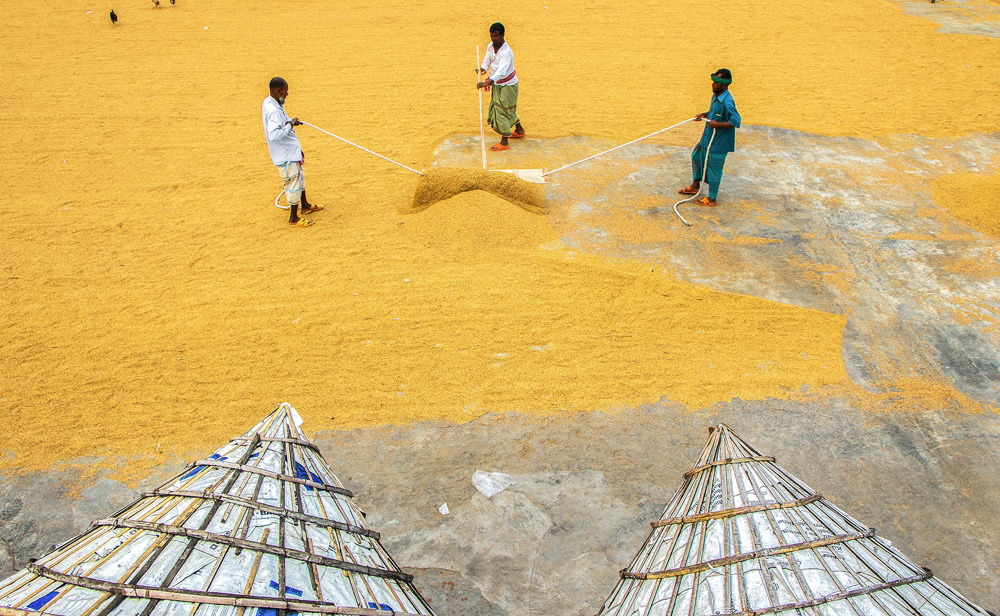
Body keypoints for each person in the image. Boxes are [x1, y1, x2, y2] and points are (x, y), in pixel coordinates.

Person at [262, 77, 324, 227]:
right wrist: (290, 125)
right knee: (294, 181)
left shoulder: (272, 102)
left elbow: (281, 122)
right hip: (285, 154)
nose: (287, 93)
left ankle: (304, 205)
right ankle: (293, 218)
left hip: (291, 151)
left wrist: (290, 121)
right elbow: (274, 134)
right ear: (278, 91)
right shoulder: (272, 110)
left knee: (300, 177)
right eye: (285, 90)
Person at [678, 69, 741, 207]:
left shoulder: (728, 102)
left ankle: (712, 199)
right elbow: (714, 112)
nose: (713, 84)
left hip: (719, 143)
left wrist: (717, 124)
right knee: (696, 156)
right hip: (707, 138)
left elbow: (736, 121)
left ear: (724, 85)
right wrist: (704, 114)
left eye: (716, 82)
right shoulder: (716, 96)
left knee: (714, 169)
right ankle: (695, 185)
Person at [477, 22, 525, 151]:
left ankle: (504, 142)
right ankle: (519, 130)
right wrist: (483, 68)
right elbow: (488, 59)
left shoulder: (506, 53)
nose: (493, 39)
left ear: (503, 35)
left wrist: (487, 82)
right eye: (492, 36)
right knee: (507, 109)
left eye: (496, 36)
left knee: (502, 111)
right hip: (498, 84)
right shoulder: (490, 46)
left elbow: (502, 71)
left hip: (507, 86)